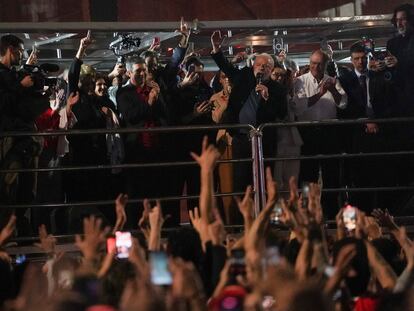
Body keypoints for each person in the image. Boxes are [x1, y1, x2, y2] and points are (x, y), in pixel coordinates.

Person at [210, 30, 287, 196]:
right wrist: (217, 50)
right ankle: (242, 219)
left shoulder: (278, 90)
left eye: (266, 67)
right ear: (253, 66)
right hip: (241, 138)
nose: (262, 68)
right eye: (259, 65)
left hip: (264, 141)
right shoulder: (243, 76)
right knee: (241, 181)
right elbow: (227, 68)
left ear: (272, 70)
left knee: (264, 182)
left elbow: (282, 113)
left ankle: (263, 217)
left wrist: (268, 98)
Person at [293, 49, 347, 216]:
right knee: (309, 175)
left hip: (329, 131)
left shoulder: (332, 81)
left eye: (319, 64)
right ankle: (309, 214)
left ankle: (331, 214)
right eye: (313, 63)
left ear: (325, 65)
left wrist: (333, 91)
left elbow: (343, 103)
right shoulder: (299, 82)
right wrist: (321, 93)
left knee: (331, 173)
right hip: (308, 132)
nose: (315, 67)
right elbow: (299, 107)